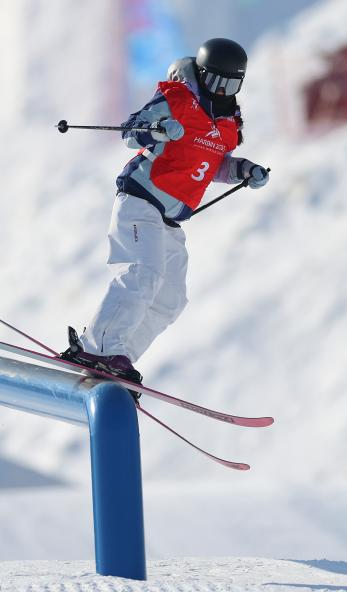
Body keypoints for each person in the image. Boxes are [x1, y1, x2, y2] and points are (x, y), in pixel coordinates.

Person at [62, 38, 270, 391]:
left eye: (231, 85)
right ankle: (97, 348)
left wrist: (243, 170)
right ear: (201, 74)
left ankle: (118, 357)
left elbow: (213, 165)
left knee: (170, 299)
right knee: (143, 272)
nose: (222, 91)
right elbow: (131, 131)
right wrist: (157, 129)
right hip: (140, 200)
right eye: (216, 82)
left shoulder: (229, 125)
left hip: (169, 220)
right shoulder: (177, 99)